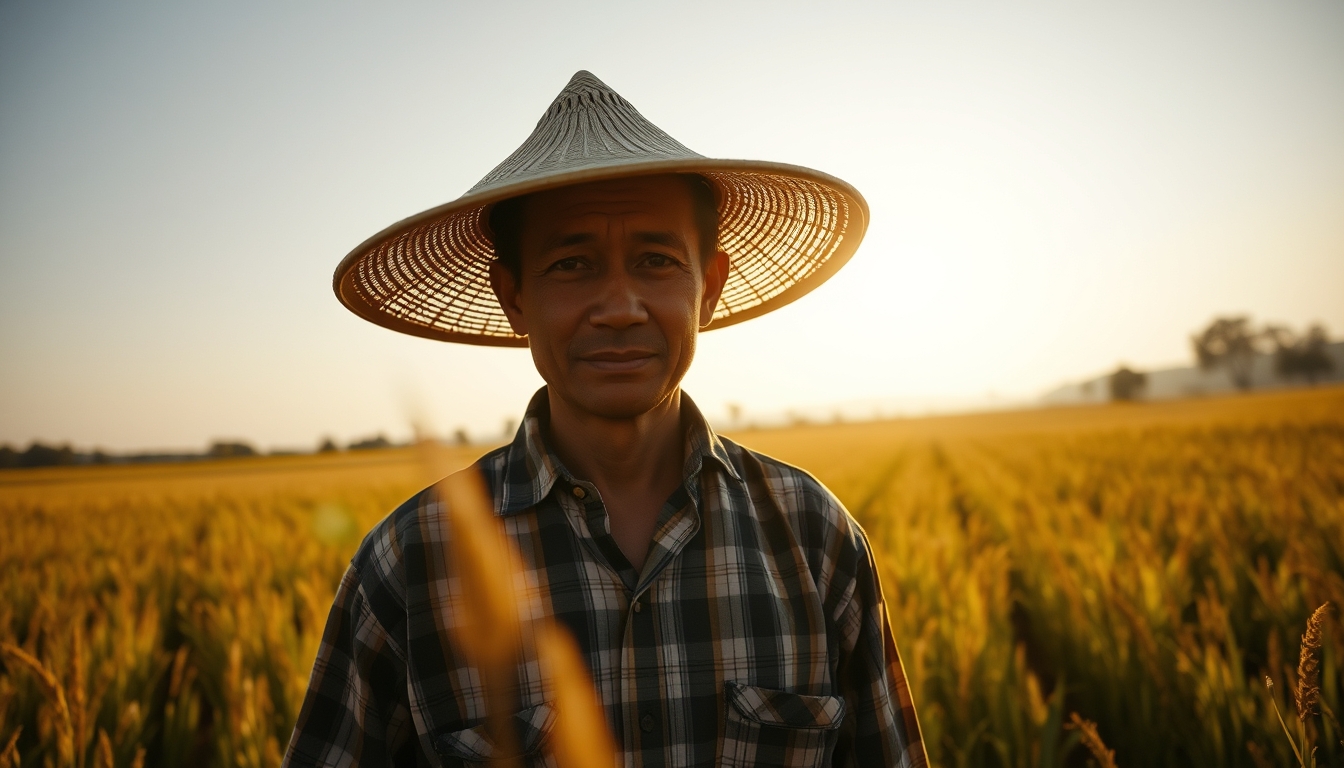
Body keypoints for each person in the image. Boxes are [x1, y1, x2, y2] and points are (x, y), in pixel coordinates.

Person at [284, 71, 926, 768]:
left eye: (656, 260)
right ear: (514, 297)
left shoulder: (813, 535)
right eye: (572, 264)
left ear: (708, 288)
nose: (620, 306)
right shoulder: (410, 563)